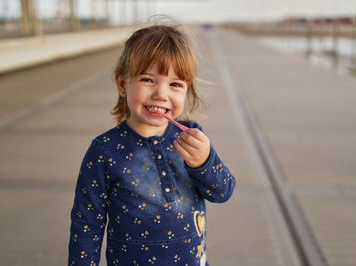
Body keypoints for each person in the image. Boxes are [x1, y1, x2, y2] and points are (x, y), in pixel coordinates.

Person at [68, 22, 236, 266]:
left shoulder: (192, 136)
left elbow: (223, 192)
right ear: (122, 84)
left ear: (187, 90)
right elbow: (86, 224)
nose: (161, 93)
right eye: (148, 79)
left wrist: (204, 160)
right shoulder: (104, 150)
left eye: (175, 84)